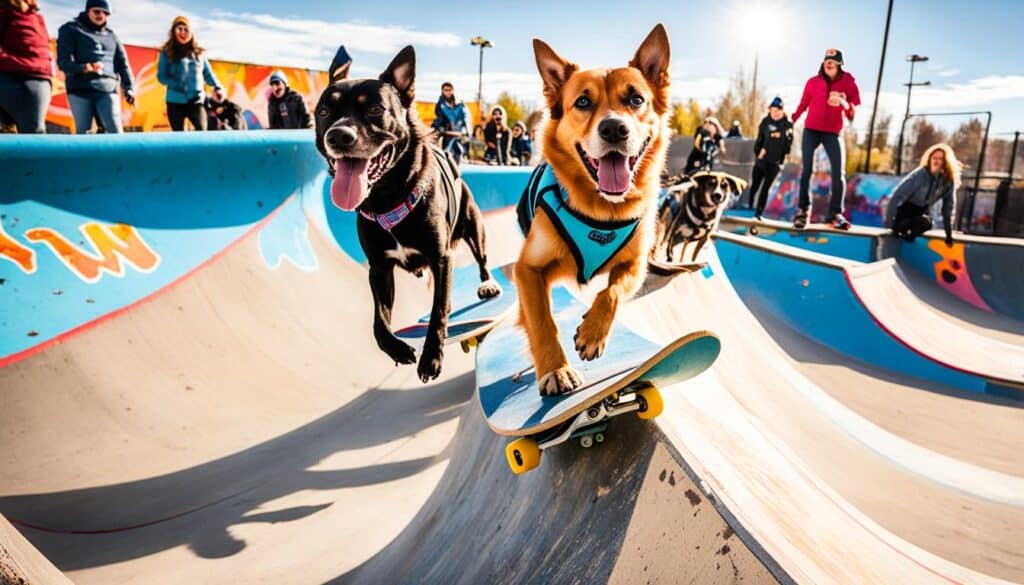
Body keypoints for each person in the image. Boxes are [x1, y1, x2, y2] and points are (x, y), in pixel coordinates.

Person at [791, 48, 861, 230]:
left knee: (838, 172)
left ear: (839, 64)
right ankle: (803, 211)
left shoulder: (848, 81)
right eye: (826, 60)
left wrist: (843, 102)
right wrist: (791, 120)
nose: (829, 63)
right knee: (807, 170)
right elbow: (802, 104)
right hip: (811, 130)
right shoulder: (812, 82)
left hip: (833, 132)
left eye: (833, 60)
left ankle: (835, 214)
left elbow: (853, 112)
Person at [56, 0, 135, 134]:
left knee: (115, 132)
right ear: (88, 11)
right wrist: (84, 68)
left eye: (105, 13)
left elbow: (123, 65)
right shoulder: (71, 29)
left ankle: (117, 155)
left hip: (107, 89)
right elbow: (63, 62)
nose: (101, 15)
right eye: (96, 11)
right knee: (83, 132)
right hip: (80, 89)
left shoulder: (112, 36)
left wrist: (129, 88)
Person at [157, 15, 222, 131]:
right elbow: (161, 76)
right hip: (175, 102)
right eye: (179, 29)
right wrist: (175, 84)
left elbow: (208, 73)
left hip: (196, 101)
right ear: (173, 32)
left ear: (191, 33)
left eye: (186, 29)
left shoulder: (198, 53)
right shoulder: (167, 53)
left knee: (202, 131)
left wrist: (217, 87)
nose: (183, 32)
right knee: (178, 136)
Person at [886, 143, 960, 245]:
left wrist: (949, 235)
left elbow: (948, 208)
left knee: (926, 222)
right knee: (905, 222)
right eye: (934, 158)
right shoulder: (920, 175)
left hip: (921, 212)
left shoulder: (947, 182)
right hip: (906, 209)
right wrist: (889, 226)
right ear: (929, 159)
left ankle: (909, 237)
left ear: (945, 162)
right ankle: (901, 229)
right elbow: (897, 196)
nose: (936, 161)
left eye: (940, 159)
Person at [0, 0, 52, 134]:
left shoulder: (33, 17)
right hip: (40, 81)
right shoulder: (35, 17)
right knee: (34, 133)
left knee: (33, 134)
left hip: (25, 78)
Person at [749, 97, 794, 219]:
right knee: (755, 185)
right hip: (762, 159)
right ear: (769, 110)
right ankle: (749, 204)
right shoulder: (765, 122)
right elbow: (759, 139)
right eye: (773, 110)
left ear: (782, 111)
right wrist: (759, 152)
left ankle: (759, 212)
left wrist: (784, 138)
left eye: (778, 110)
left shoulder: (787, 125)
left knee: (765, 188)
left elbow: (788, 147)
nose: (775, 112)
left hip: (775, 163)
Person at [431, 81, 470, 163]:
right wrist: (440, 128)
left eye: (449, 90)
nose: (448, 92)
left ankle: (459, 166)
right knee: (447, 151)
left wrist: (466, 130)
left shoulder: (459, 103)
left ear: (453, 91)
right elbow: (440, 118)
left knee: (459, 151)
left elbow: (466, 117)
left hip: (459, 132)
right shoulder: (440, 105)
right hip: (448, 133)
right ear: (442, 91)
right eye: (445, 90)